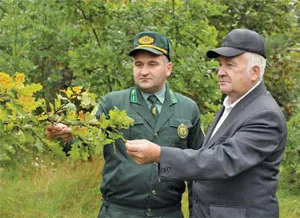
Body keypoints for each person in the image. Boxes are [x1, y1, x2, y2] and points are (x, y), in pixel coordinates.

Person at [126, 29, 287, 218]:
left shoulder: (265, 115)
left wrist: (160, 155)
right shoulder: (233, 104)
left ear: (254, 72)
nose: (220, 72)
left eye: (230, 65)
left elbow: (222, 160)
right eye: (220, 65)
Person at [46, 31, 204, 218]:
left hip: (168, 212)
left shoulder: (188, 108)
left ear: (168, 68)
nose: (144, 71)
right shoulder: (113, 103)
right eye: (138, 64)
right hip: (119, 212)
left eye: (152, 64)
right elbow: (86, 145)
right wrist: (67, 138)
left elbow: (198, 165)